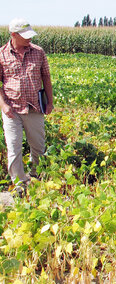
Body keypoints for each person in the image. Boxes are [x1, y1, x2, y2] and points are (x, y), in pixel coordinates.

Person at [0, 18, 54, 195]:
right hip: (11, 110)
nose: (29, 39)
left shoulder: (38, 52)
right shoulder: (1, 55)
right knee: (14, 148)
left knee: (38, 146)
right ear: (13, 35)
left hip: (34, 108)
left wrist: (50, 102)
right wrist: (3, 106)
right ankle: (20, 185)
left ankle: (36, 177)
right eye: (25, 36)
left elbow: (46, 77)